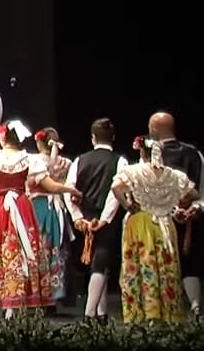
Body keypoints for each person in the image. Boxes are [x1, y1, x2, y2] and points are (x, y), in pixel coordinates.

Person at [0, 120, 82, 318]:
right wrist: (70, 189)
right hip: (21, 205)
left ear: (2, 136)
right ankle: (14, 301)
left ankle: (6, 303)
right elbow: (51, 185)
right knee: (19, 250)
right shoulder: (29, 159)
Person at [95, 140, 197, 324]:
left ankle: (142, 313)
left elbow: (116, 187)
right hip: (165, 223)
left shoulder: (133, 172)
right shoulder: (173, 175)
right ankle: (167, 313)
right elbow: (193, 193)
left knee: (141, 265)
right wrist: (172, 202)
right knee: (165, 267)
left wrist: (127, 205)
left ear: (142, 151)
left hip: (140, 220)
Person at [149, 111, 204, 317]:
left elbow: (150, 187)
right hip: (190, 217)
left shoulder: (154, 155)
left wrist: (175, 210)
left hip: (163, 220)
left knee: (165, 261)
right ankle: (194, 304)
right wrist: (197, 208)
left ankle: (168, 307)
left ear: (154, 129)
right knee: (190, 261)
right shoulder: (194, 153)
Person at [64, 118, 128, 320]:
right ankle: (90, 314)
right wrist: (105, 219)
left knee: (98, 263)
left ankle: (101, 312)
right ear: (114, 138)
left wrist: (77, 217)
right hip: (102, 219)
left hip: (86, 219)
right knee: (100, 261)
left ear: (93, 138)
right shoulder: (120, 161)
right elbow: (115, 194)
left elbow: (69, 190)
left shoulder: (79, 160)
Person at [28, 126, 73, 310]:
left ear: (39, 142)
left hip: (37, 207)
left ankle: (37, 293)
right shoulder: (65, 163)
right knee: (55, 246)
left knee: (37, 248)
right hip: (56, 209)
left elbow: (28, 184)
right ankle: (53, 295)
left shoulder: (33, 161)